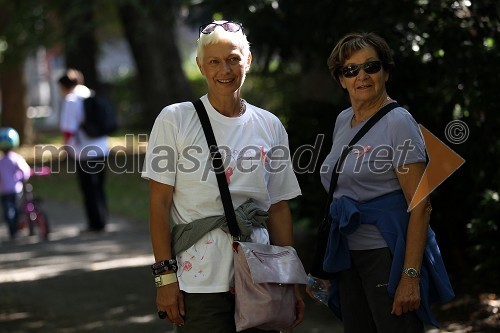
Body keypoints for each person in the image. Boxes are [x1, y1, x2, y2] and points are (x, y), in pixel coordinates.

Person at [141, 20, 305, 333]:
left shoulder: (270, 126)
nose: (224, 71)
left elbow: (279, 208)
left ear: (248, 60)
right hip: (200, 281)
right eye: (214, 61)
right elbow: (159, 205)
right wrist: (165, 278)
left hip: (262, 275)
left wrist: (290, 281)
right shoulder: (175, 119)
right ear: (200, 65)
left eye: (233, 59)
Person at [307, 32, 454, 333]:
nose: (361, 76)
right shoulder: (343, 120)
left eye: (371, 67)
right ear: (341, 79)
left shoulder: (398, 122)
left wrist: (410, 276)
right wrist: (323, 266)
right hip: (348, 254)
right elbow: (340, 193)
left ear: (386, 72)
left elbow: (421, 205)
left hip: (385, 253)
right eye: (351, 69)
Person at [58, 69, 109, 233]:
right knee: (100, 186)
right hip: (102, 147)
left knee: (88, 188)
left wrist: (65, 149)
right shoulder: (90, 94)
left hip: (84, 151)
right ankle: (103, 220)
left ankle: (95, 223)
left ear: (64, 86)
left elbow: (68, 129)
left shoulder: (71, 100)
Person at [0, 127, 31, 240]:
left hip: (3, 191)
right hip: (15, 189)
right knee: (16, 209)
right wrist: (21, 178)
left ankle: (13, 231)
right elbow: (25, 171)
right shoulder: (16, 158)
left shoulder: (1, 161)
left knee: (8, 211)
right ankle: (17, 229)